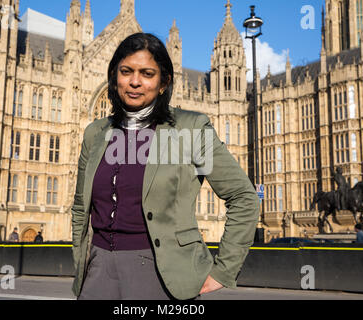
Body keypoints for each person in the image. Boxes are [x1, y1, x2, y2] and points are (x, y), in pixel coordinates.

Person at [71, 33, 260, 300]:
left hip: (161, 275)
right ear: (115, 78)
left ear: (163, 83)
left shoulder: (190, 129)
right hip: (99, 271)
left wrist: (224, 269)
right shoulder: (96, 133)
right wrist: (83, 262)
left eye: (147, 73)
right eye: (126, 71)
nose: (135, 81)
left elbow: (243, 196)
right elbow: (81, 206)